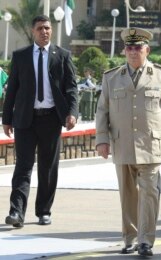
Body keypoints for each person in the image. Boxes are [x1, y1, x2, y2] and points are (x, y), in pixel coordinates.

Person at [95, 27, 161, 256]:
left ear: (147, 50)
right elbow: (102, 111)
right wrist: (101, 140)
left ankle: (145, 240)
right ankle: (130, 238)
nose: (133, 52)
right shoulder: (111, 78)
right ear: (124, 51)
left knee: (149, 194)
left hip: (151, 146)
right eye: (130, 48)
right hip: (122, 145)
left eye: (138, 48)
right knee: (127, 194)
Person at [2, 15, 78, 228]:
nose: (44, 32)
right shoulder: (20, 56)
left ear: (51, 30)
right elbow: (12, 91)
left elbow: (71, 88)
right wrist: (6, 119)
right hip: (25, 120)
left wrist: (72, 113)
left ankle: (43, 211)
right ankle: (16, 212)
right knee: (23, 167)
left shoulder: (62, 56)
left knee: (48, 168)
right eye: (40, 29)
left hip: (51, 120)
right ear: (32, 31)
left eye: (47, 28)